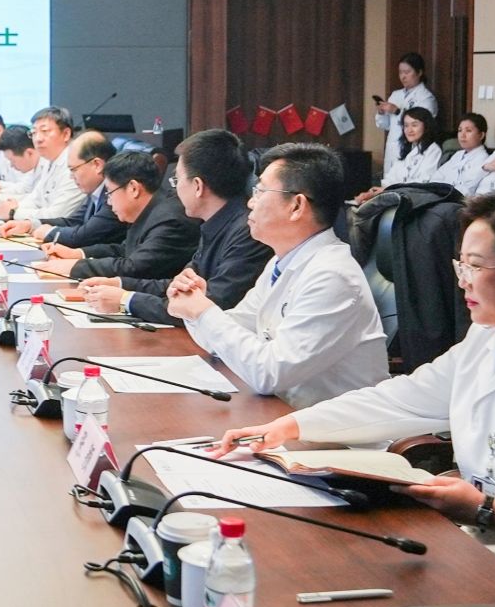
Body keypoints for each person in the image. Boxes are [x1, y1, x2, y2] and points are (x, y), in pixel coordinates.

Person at [214, 190, 495, 607]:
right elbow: (400, 400)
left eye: (476, 265)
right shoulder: (487, 338)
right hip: (484, 553)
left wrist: (487, 510)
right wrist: (291, 427)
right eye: (460, 264)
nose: (462, 279)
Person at [158, 143, 389, 407]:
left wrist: (202, 312)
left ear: (296, 206)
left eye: (259, 191)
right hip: (284, 414)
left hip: (339, 428)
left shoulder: (332, 276)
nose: (250, 202)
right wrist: (191, 305)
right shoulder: (281, 262)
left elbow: (269, 374)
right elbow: (226, 336)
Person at [81, 128, 270, 322]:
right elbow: (178, 287)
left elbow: (208, 306)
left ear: (198, 186)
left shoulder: (247, 233)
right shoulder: (214, 222)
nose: (175, 189)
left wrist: (126, 300)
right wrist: (120, 284)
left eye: (177, 180)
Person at [39, 149, 199, 281]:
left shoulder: (170, 220)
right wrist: (77, 254)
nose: (109, 202)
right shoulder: (151, 209)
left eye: (110, 192)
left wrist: (75, 267)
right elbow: (124, 250)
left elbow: (134, 267)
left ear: (133, 188)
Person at [0, 131, 117, 247]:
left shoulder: (113, 194)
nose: (71, 176)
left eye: (74, 169)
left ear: (97, 165)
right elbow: (72, 221)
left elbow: (82, 236)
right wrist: (30, 225)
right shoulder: (96, 191)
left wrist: (49, 232)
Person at [0, 106, 85, 224]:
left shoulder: (74, 164)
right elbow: (36, 199)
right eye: (34, 133)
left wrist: (14, 213)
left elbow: (58, 215)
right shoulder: (49, 160)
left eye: (45, 131)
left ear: (66, 134)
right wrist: (14, 208)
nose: (38, 139)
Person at [373, 52, 437, 175]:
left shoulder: (426, 97)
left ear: (419, 72)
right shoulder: (395, 95)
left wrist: (397, 111)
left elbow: (424, 123)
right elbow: (386, 125)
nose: (403, 76)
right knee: (389, 182)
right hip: (392, 147)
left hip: (412, 148)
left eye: (407, 72)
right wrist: (381, 113)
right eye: (400, 72)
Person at [373, 107, 443, 190]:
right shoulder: (407, 149)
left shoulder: (433, 150)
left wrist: (391, 189)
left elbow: (424, 182)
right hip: (397, 192)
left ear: (426, 126)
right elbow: (391, 178)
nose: (409, 130)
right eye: (406, 125)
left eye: (414, 125)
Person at [430, 113, 493, 195]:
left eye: (468, 131)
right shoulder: (458, 155)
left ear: (481, 135)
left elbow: (469, 189)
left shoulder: (485, 160)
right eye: (460, 130)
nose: (462, 135)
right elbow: (438, 176)